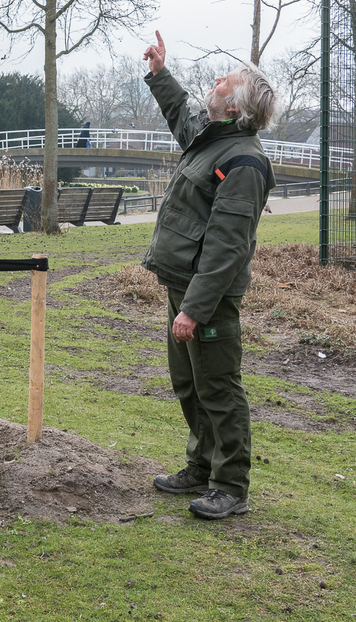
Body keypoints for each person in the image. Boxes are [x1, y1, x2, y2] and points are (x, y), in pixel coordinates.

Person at [141, 31, 277, 520]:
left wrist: (195, 310)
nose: (217, 80)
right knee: (189, 383)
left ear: (236, 104)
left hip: (209, 295)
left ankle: (231, 485)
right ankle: (200, 466)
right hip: (182, 283)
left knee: (218, 386)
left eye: (226, 80)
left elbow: (227, 246)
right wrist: (160, 74)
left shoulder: (243, 161)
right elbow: (183, 117)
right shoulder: (213, 141)